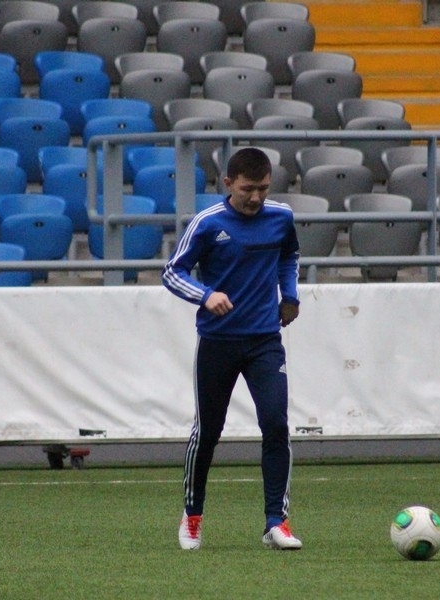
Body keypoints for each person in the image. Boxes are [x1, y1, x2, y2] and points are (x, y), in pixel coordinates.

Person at [162, 147, 303, 551]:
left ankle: (276, 523)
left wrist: (289, 296)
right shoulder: (208, 223)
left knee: (275, 424)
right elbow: (172, 272)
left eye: (263, 189)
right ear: (228, 184)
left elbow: (289, 256)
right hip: (218, 342)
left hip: (265, 341)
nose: (256, 197)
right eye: (247, 189)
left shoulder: (281, 217)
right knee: (208, 432)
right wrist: (205, 295)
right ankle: (192, 516)